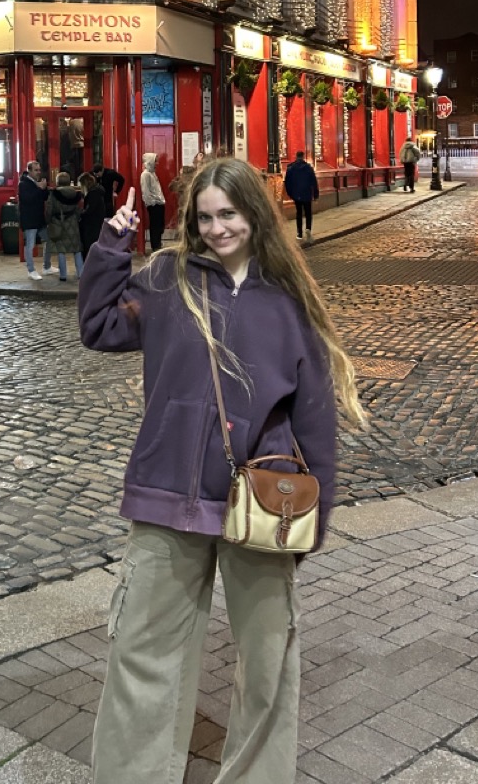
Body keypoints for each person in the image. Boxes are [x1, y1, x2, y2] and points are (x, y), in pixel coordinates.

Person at [79, 157, 362, 783]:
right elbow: (98, 328)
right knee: (141, 655)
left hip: (261, 505)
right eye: (205, 216)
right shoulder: (164, 281)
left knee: (267, 664)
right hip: (166, 497)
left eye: (228, 214)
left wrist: (310, 527)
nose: (216, 228)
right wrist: (112, 244)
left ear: (253, 214)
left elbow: (315, 419)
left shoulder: (287, 303)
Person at [45, 170, 83, 282]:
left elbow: (49, 209)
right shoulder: (75, 193)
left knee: (61, 250)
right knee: (76, 249)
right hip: (72, 223)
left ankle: (63, 275)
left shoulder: (54, 194)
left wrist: (47, 221)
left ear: (57, 181)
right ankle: (81, 273)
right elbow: (77, 210)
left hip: (58, 223)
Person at [19, 160, 54, 281]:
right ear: (29, 170)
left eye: (39, 170)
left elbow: (43, 198)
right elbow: (28, 199)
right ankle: (31, 270)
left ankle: (47, 266)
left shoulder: (37, 182)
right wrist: (40, 189)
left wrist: (43, 189)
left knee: (49, 240)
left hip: (39, 218)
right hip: (29, 219)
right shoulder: (23, 183)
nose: (38, 172)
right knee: (30, 245)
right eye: (36, 170)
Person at [283, 150, 319, 241]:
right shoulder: (308, 168)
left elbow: (287, 182)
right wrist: (315, 195)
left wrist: (290, 194)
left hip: (296, 194)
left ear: (296, 156)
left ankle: (299, 233)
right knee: (308, 213)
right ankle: (308, 229)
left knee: (299, 213)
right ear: (303, 157)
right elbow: (314, 182)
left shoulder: (290, 168)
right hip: (306, 194)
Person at [140, 152, 166, 252]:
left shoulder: (152, 173)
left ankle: (158, 243)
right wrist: (152, 202)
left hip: (159, 203)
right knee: (155, 226)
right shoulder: (145, 174)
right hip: (154, 204)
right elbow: (146, 191)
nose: (157, 163)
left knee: (159, 225)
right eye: (155, 161)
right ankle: (155, 246)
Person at [78, 170, 106, 257]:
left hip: (92, 226)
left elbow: (89, 210)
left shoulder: (92, 194)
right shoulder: (97, 192)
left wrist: (80, 213)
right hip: (97, 223)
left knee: (89, 248)